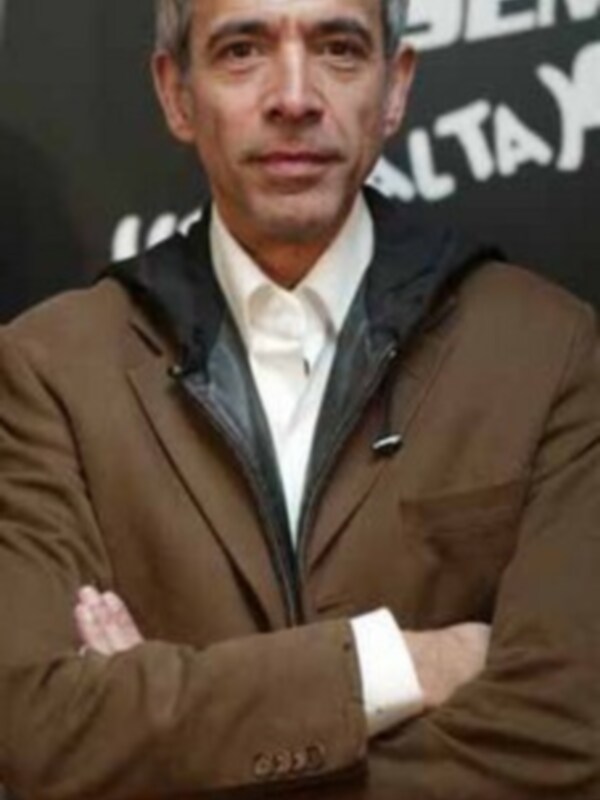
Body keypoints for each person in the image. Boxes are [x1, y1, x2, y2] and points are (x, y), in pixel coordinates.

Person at [0, 0, 598, 798]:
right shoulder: (49, 370)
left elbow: (566, 732)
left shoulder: (548, 347)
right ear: (176, 91)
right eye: (243, 49)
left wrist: (157, 747)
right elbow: (32, 728)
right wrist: (401, 663)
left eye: (339, 49)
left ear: (396, 88)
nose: (293, 95)